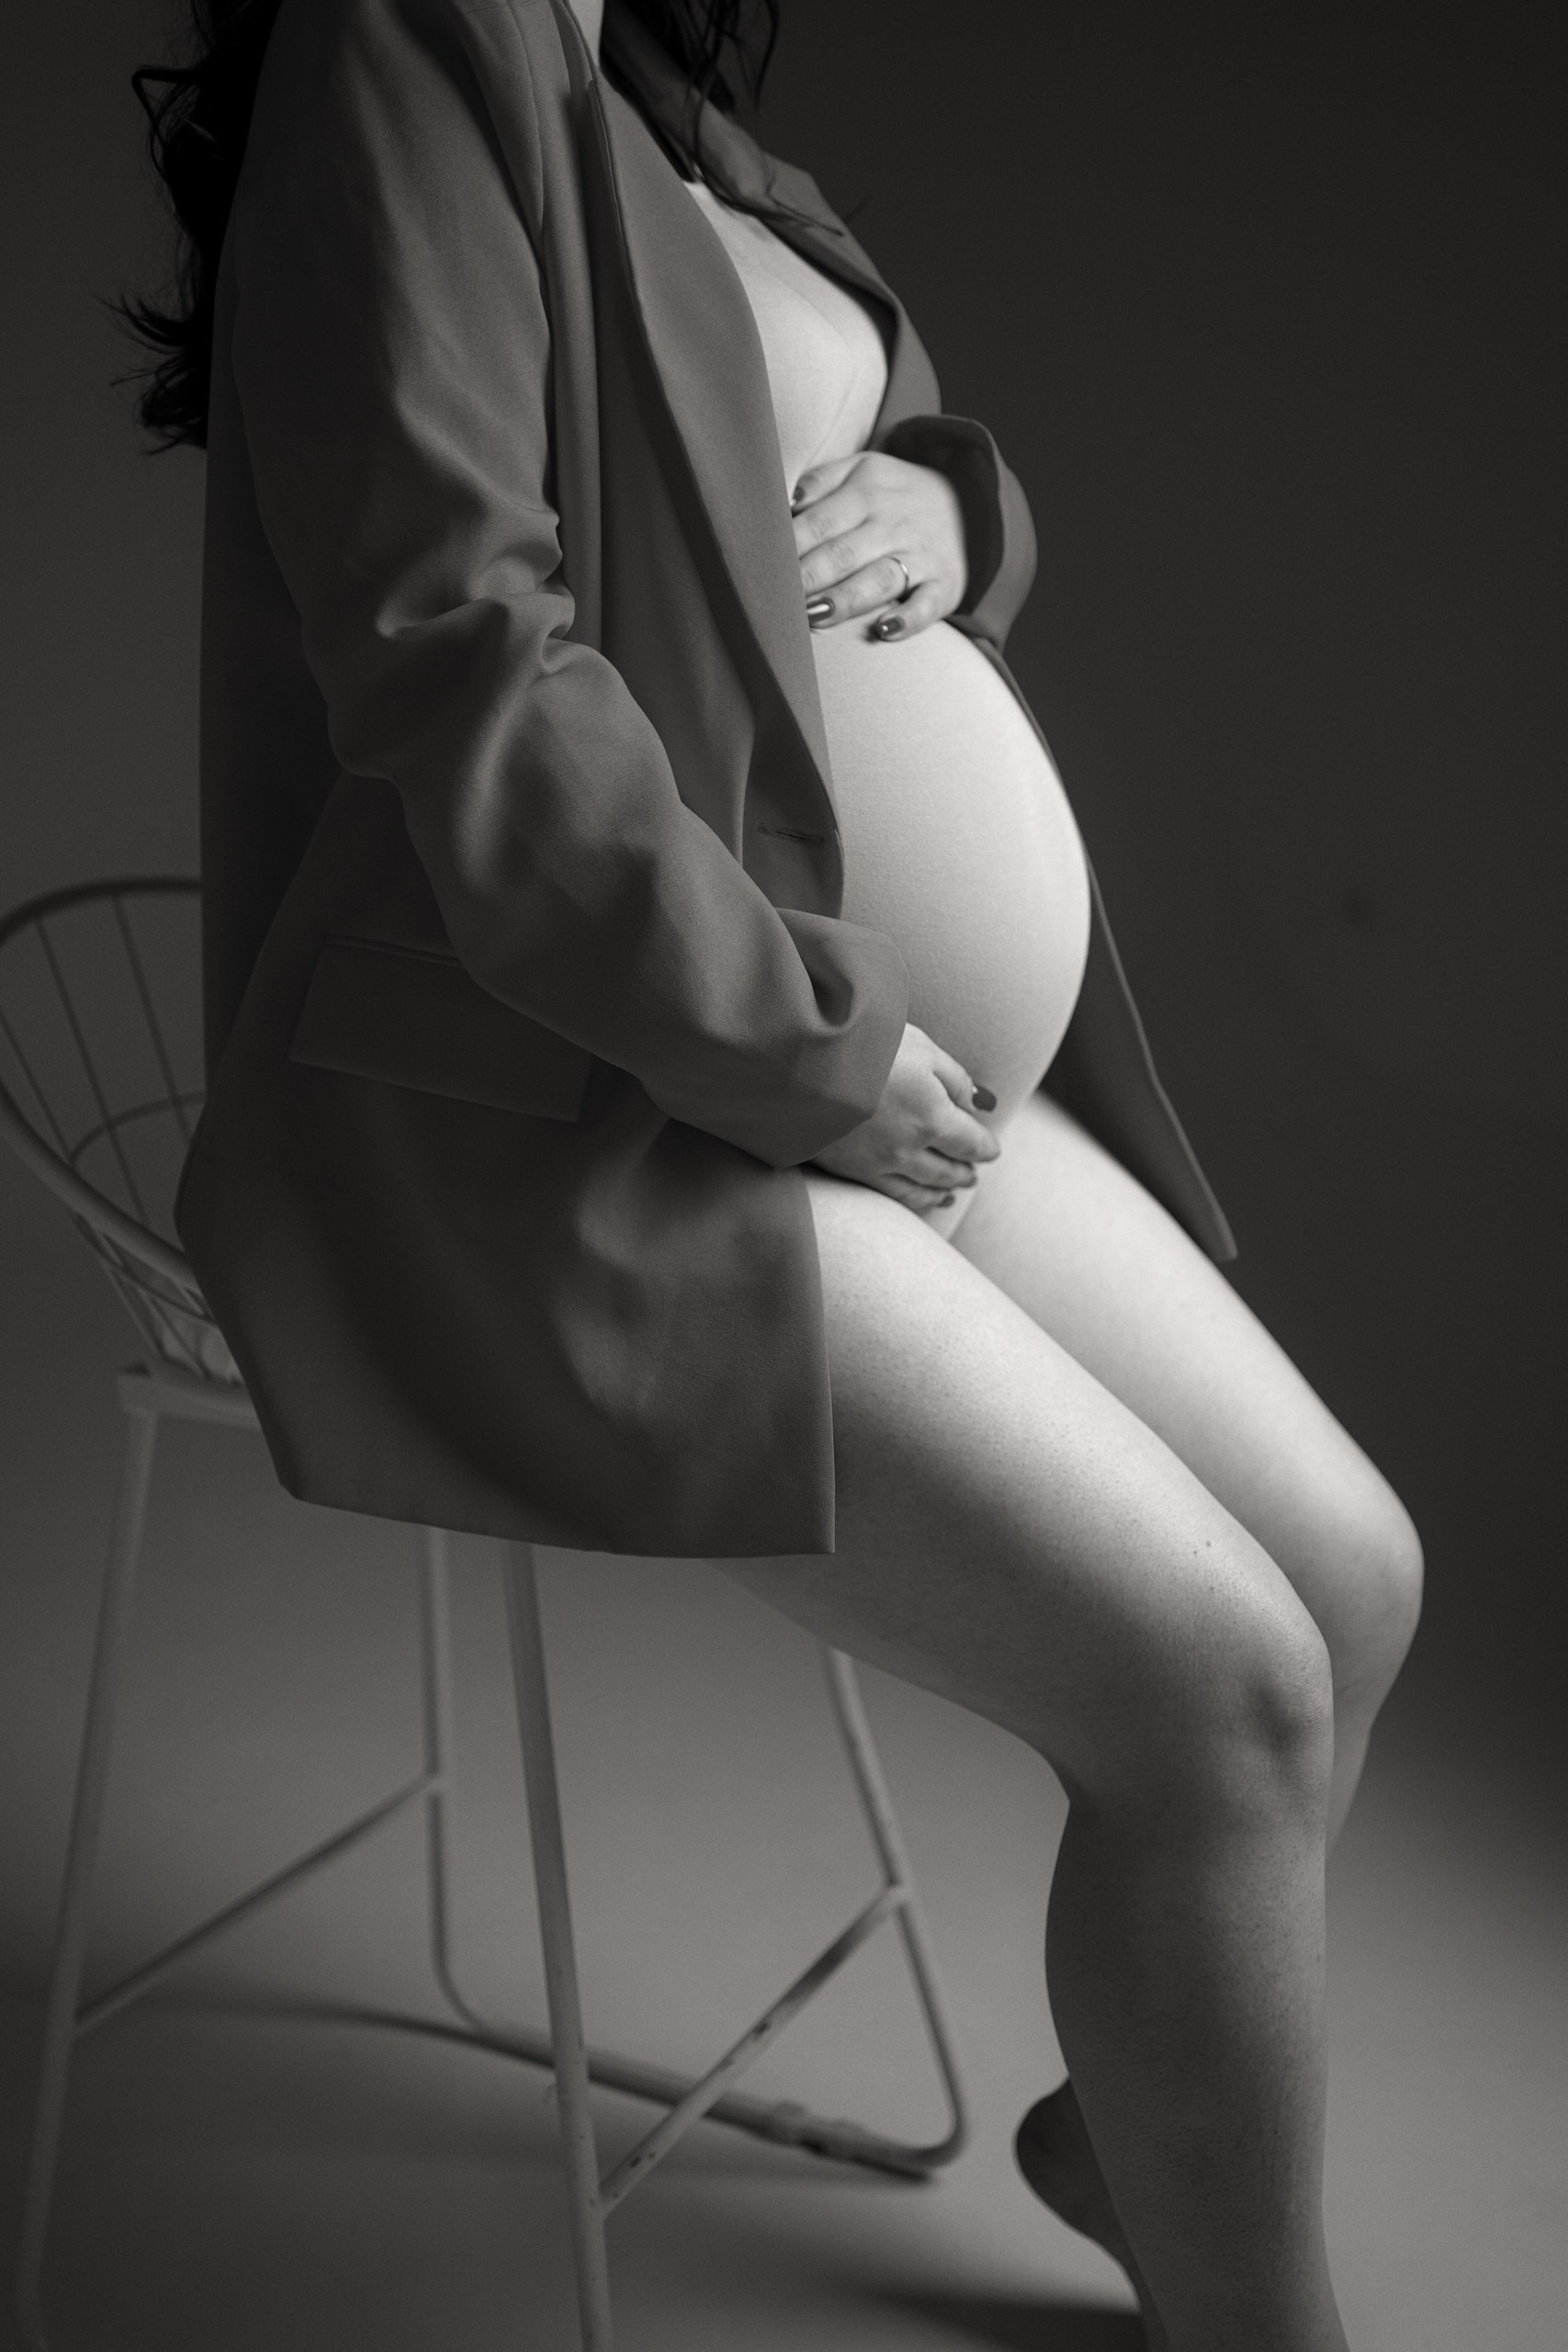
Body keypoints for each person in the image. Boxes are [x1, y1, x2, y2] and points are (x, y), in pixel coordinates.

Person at [129, 0, 1424, 2343]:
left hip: (853, 1080)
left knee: (1353, 1574)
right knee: (1225, 1694)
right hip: (581, 1100)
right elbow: (456, 659)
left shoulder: (639, 82)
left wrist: (959, 507)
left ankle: (1136, 2132)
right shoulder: (402, 44)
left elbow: (829, 449)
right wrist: (806, 1049)